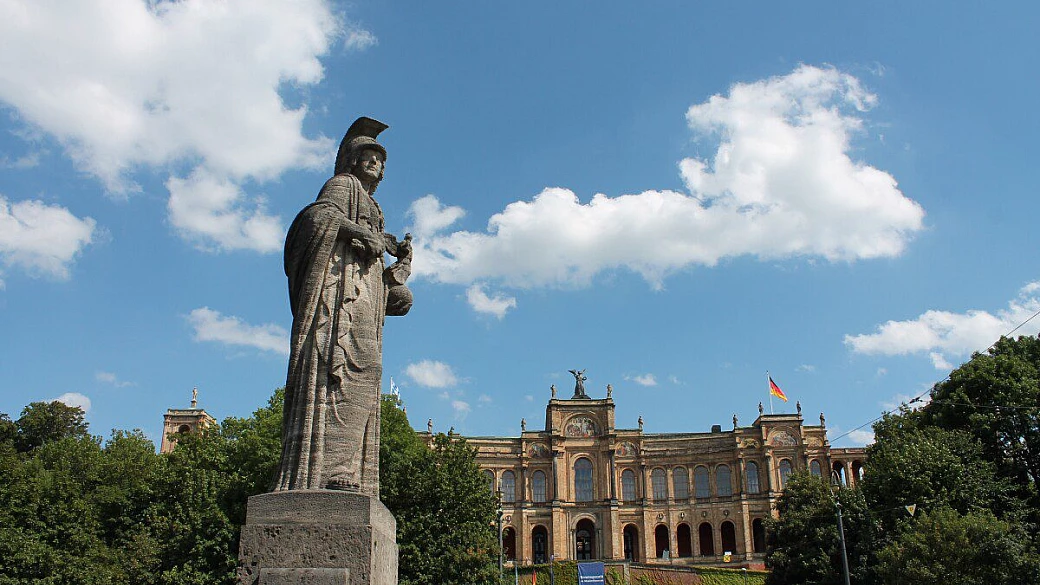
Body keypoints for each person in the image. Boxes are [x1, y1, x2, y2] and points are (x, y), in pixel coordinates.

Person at [273, 117, 412, 494]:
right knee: (339, 370)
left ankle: (349, 467)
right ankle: (329, 471)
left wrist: (396, 272)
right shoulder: (341, 186)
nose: (376, 164)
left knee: (366, 371)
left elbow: (374, 257)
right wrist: (361, 232)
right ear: (352, 160)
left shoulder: (374, 205)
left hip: (364, 292)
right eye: (369, 156)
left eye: (380, 160)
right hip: (338, 294)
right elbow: (316, 218)